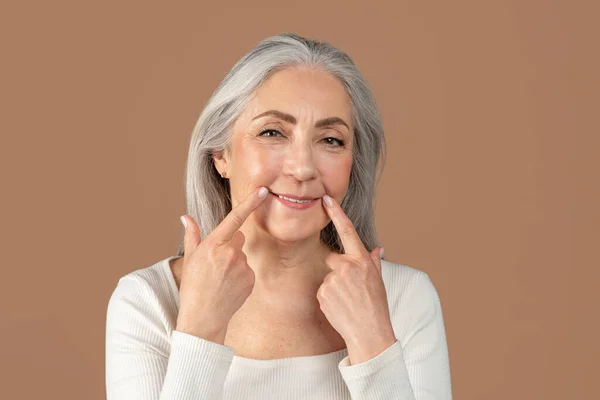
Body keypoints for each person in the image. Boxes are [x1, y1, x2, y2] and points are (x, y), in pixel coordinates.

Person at [105, 33, 452, 399]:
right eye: (272, 132)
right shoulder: (148, 301)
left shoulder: (404, 298)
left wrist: (374, 343)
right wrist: (199, 333)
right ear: (221, 156)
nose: (302, 168)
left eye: (331, 140)